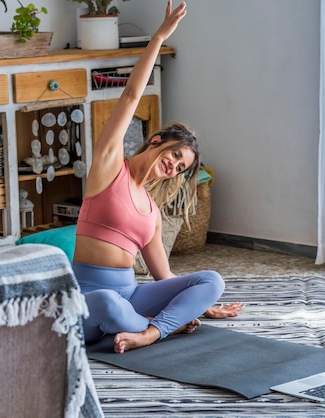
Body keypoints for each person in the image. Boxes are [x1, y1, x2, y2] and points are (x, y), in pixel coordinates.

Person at [72, 0, 243, 354]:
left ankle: (150, 333)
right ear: (157, 141)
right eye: (176, 155)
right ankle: (160, 326)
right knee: (107, 303)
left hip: (133, 295)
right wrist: (159, 37)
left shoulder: (150, 210)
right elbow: (132, 95)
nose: (175, 166)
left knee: (212, 280)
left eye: (181, 168)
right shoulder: (109, 169)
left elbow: (166, 279)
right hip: (89, 299)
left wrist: (201, 305)